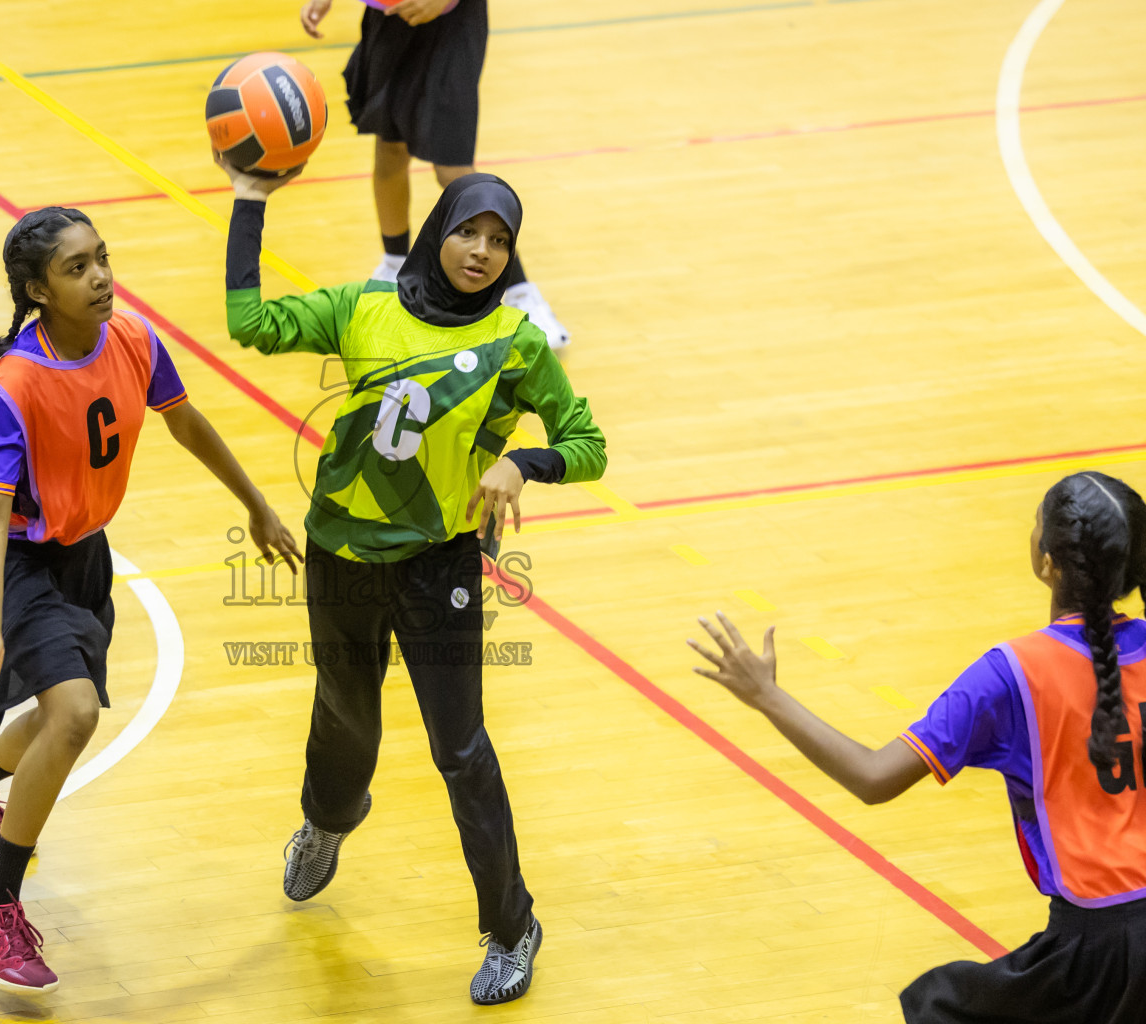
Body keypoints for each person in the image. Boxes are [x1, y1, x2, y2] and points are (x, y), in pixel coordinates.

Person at [217, 157, 606, 1003]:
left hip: (440, 567)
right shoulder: (364, 309)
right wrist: (250, 202)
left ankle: (512, 927)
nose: (480, 251)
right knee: (347, 716)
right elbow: (248, 320)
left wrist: (522, 462)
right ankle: (327, 820)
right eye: (468, 230)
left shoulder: (515, 342)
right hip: (341, 555)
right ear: (438, 231)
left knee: (459, 750)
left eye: (500, 241)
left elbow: (589, 444)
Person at [0, 206, 301, 995]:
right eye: (76, 268)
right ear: (37, 290)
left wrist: (256, 503)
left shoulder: (133, 339)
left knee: (66, 713)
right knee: (76, 713)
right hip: (19, 559)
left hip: (83, 558)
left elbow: (186, 423)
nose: (99, 277)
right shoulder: (17, 384)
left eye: (102, 258)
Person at [688, 471, 1146, 1023]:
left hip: (1098, 952)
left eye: (1036, 524)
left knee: (941, 1009)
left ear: (1048, 563)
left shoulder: (1011, 675)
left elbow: (873, 776)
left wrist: (766, 696)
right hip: (1109, 945)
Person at [298, 0, 573, 349]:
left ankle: (519, 293)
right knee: (390, 146)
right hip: (390, 15)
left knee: (452, 168)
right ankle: (394, 265)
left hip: (452, 22)